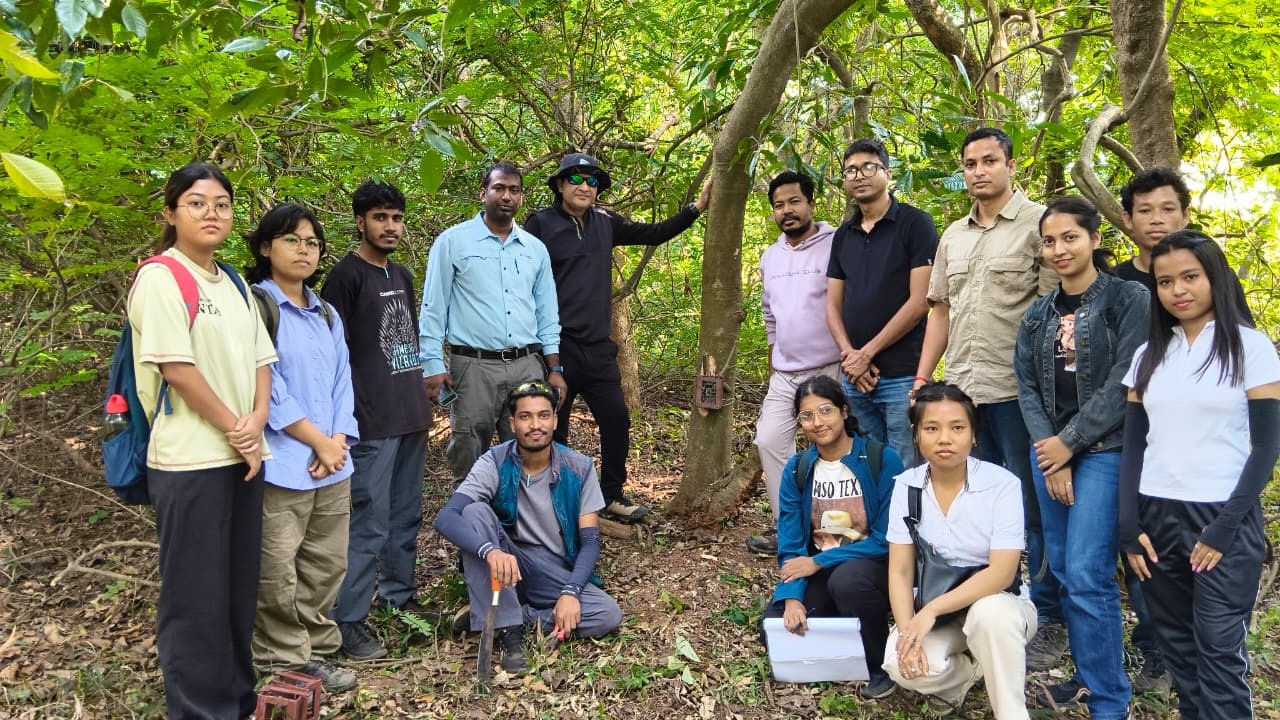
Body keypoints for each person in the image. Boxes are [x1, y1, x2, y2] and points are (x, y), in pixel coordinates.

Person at [911, 126, 1066, 670]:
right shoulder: (952, 234)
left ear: (1010, 164)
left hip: (1020, 396)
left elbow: (1056, 310)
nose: (979, 171)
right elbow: (940, 311)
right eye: (970, 163)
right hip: (965, 399)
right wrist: (924, 377)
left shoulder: (1038, 226)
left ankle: (1046, 617)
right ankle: (985, 606)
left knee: (1033, 509)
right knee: (976, 506)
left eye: (989, 161)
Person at [127, 163, 277, 718]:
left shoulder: (235, 281)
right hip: (190, 461)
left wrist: (257, 420)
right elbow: (176, 369)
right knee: (196, 598)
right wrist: (237, 428)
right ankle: (198, 710)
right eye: (196, 203)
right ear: (171, 213)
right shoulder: (161, 277)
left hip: (244, 456)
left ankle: (237, 702)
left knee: (238, 595)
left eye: (221, 204)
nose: (211, 213)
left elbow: (263, 359)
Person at [1120, 230, 1280, 720]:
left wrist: (1225, 528)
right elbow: (1132, 448)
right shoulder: (1149, 355)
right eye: (1165, 281)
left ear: (1215, 277)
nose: (1177, 290)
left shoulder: (1249, 348)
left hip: (1221, 518)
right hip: (1155, 517)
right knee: (1178, 650)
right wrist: (1127, 526)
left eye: (1190, 276)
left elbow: (1268, 447)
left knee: (1218, 650)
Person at [523, 153, 712, 522]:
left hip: (597, 347)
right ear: (560, 185)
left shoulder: (605, 223)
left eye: (592, 181)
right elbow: (520, 281)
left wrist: (696, 208)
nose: (584, 186)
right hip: (553, 348)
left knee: (616, 420)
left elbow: (653, 232)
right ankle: (555, 504)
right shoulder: (540, 225)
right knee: (553, 427)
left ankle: (610, 495)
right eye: (576, 178)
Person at [1013, 197, 1147, 718]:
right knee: (1065, 567)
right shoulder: (1038, 314)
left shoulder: (1126, 298)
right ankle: (1090, 678)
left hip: (1107, 449)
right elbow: (1026, 386)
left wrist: (1070, 443)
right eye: (1049, 241)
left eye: (1070, 237)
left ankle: (1111, 700)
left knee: (1090, 571)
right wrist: (1053, 452)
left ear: (1093, 238)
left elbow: (1125, 382)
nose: (1059, 249)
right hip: (1051, 452)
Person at [245, 203, 360, 693]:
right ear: (267, 246)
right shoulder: (256, 305)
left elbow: (341, 379)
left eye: (312, 242)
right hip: (283, 462)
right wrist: (316, 440)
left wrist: (336, 440)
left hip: (332, 461)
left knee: (326, 561)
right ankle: (281, 656)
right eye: (292, 239)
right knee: (278, 565)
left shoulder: (325, 311)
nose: (304, 249)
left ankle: (318, 645)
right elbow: (263, 386)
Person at [433, 381, 623, 674]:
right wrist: (490, 551)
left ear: (555, 420)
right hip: (506, 560)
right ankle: (511, 634)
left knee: (607, 614)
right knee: (474, 512)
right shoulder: (494, 461)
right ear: (512, 422)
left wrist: (571, 592)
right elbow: (447, 517)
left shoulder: (579, 467)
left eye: (543, 415)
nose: (535, 425)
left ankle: (504, 613)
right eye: (525, 416)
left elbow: (590, 541)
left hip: (552, 569)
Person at [322, 180, 432, 660]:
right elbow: (331, 355)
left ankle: (398, 598)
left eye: (396, 217)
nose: (391, 226)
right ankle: (347, 619)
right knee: (369, 522)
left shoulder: (402, 275)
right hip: (369, 422)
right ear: (360, 221)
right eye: (381, 217)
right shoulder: (344, 278)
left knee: (406, 514)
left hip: (409, 414)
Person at [883, 382, 1034, 719]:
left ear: (974, 435)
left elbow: (1002, 572)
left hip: (1000, 603)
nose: (944, 438)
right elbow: (900, 570)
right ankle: (970, 673)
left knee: (989, 616)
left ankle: (1012, 713)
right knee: (899, 662)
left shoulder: (1002, 485)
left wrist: (931, 611)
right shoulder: (906, 486)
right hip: (943, 611)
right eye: (932, 428)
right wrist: (909, 630)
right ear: (917, 435)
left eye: (957, 427)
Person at [420, 162, 564, 487]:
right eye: (499, 188)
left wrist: (554, 368)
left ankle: (524, 527)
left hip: (527, 364)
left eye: (514, 190)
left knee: (531, 449)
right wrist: (431, 364)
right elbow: (433, 307)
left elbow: (547, 313)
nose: (506, 196)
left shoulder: (535, 250)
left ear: (522, 198)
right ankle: (472, 530)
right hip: (473, 367)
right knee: (469, 451)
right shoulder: (452, 242)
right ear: (483, 193)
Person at [763, 375, 903, 699]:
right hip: (821, 566)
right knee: (774, 621)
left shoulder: (881, 459)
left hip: (872, 564)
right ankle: (843, 625)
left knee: (848, 582)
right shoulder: (798, 469)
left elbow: (885, 539)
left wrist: (817, 562)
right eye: (807, 416)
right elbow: (791, 542)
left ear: (843, 411)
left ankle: (879, 665)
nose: (817, 422)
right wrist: (792, 596)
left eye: (825, 411)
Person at [745, 171, 843, 554]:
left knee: (833, 445)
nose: (787, 211)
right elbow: (770, 315)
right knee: (769, 440)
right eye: (779, 205)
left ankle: (834, 530)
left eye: (794, 201)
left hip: (829, 368)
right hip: (785, 373)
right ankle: (791, 527)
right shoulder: (771, 257)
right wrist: (773, 362)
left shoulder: (836, 245)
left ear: (811, 204)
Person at [826, 138, 938, 465]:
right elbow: (832, 305)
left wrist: (867, 354)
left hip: (902, 373)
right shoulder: (843, 235)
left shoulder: (916, 224)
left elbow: (920, 302)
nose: (859, 175)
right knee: (868, 465)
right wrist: (851, 358)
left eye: (868, 167)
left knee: (906, 465)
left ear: (887, 173)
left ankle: (908, 520)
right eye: (850, 170)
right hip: (854, 378)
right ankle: (876, 519)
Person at [1116, 167, 1253, 325]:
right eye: (1145, 210)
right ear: (1128, 219)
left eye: (1168, 209)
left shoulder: (1217, 275)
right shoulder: (1113, 282)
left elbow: (1242, 337)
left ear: (1185, 215)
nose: (1156, 219)